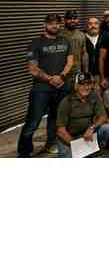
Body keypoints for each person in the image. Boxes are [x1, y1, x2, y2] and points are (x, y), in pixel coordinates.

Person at [18, 13, 74, 157]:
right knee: (33, 120)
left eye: (57, 23)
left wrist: (61, 76)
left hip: (62, 87)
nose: (54, 25)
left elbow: (70, 61)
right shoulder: (36, 43)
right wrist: (50, 79)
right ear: (45, 25)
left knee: (56, 118)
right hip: (41, 89)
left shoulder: (65, 41)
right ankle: (24, 151)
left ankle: (50, 144)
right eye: (51, 23)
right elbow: (32, 68)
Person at [55, 72, 109, 158]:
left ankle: (95, 148)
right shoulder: (67, 101)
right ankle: (88, 151)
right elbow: (60, 131)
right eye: (82, 84)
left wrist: (91, 128)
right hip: (68, 138)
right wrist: (77, 145)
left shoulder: (94, 96)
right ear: (76, 86)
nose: (86, 87)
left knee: (108, 128)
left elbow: (103, 116)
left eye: (88, 84)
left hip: (87, 135)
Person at [59, 10, 88, 92]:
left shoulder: (81, 35)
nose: (72, 20)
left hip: (77, 74)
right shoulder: (59, 35)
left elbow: (84, 54)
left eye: (75, 18)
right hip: (62, 74)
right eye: (69, 18)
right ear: (65, 20)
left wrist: (85, 73)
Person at [85, 16, 103, 84]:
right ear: (86, 26)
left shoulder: (105, 37)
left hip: (100, 75)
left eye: (96, 23)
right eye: (90, 24)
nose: (93, 26)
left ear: (99, 26)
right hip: (85, 74)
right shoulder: (82, 38)